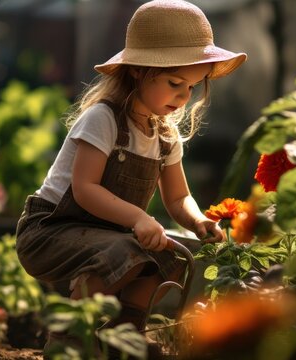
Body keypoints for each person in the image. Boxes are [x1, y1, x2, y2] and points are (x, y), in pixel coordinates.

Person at [15, 0, 246, 356]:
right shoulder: (103, 120)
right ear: (138, 70)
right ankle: (68, 338)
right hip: (50, 231)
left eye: (192, 88)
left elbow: (178, 198)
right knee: (125, 251)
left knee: (166, 257)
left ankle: (125, 334)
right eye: (174, 83)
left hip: (105, 235)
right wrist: (138, 217)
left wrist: (199, 221)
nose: (183, 97)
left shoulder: (165, 137)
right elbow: (85, 189)